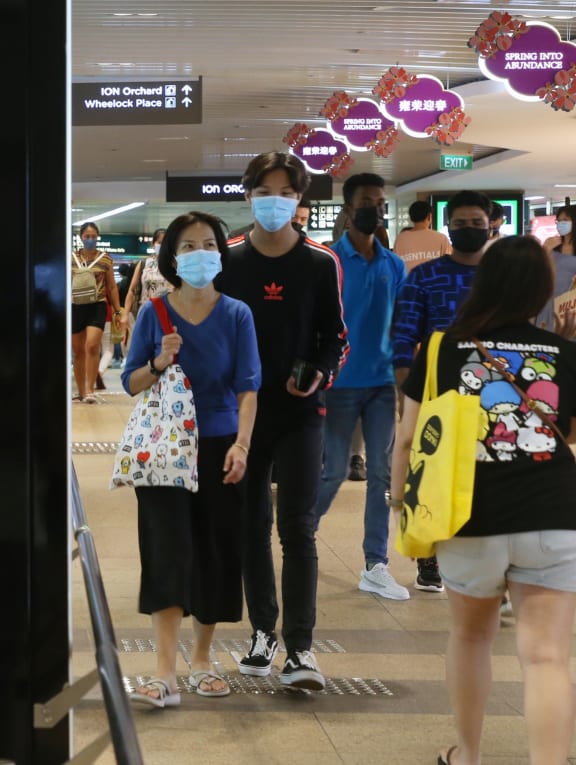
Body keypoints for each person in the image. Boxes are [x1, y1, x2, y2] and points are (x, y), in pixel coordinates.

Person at [389, 235, 576, 765]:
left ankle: (467, 754)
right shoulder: (567, 353)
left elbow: (407, 438)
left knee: (470, 639)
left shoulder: (442, 347)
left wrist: (401, 509)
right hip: (555, 516)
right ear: (543, 288)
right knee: (546, 659)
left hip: (469, 516)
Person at [219, 151, 348, 691]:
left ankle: (300, 648)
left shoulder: (319, 263)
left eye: (287, 192)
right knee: (251, 525)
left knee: (298, 526)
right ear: (247, 193)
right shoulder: (226, 260)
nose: (276, 201)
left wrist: (317, 372)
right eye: (265, 190)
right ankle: (261, 632)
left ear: (300, 200)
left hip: (300, 412)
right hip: (242, 416)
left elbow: (335, 336)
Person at [123, 211, 261, 707]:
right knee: (166, 550)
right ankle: (164, 672)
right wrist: (159, 361)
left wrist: (242, 445)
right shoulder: (154, 313)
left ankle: (202, 660)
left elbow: (249, 387)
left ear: (220, 253)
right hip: (165, 447)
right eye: (188, 246)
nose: (199, 253)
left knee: (215, 550)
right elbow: (130, 381)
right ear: (172, 257)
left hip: (220, 446)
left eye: (208, 244)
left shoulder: (237, 313)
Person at [315, 173, 409, 600]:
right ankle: (300, 535)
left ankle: (376, 563)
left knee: (381, 474)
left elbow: (403, 325)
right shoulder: (328, 262)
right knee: (333, 470)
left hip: (382, 384)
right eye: (368, 202)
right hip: (339, 384)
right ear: (349, 210)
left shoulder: (394, 265)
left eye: (380, 201)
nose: (376, 208)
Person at [392, 190, 492, 593]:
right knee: (431, 470)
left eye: (477, 223)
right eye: (461, 224)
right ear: (446, 227)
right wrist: (405, 391)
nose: (469, 230)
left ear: (491, 225)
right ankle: (429, 557)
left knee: (484, 473)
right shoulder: (425, 276)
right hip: (436, 388)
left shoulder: (501, 276)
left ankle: (482, 550)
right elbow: (403, 336)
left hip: (492, 392)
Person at [72, 222, 122, 404]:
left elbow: (112, 286)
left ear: (98, 237)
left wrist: (118, 310)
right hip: (76, 306)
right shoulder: (71, 258)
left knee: (92, 346)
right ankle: (80, 391)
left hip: (98, 305)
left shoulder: (105, 259)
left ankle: (90, 389)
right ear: (81, 238)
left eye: (94, 236)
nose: (90, 240)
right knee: (77, 351)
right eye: (87, 236)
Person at [534, 205, 576, 333]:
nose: (561, 224)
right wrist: (545, 249)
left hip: (569, 306)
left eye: (565, 220)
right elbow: (535, 271)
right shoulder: (551, 245)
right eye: (559, 220)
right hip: (547, 302)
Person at [122, 227, 170, 326]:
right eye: (160, 242)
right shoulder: (144, 264)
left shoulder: (174, 265)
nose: (163, 246)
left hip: (167, 312)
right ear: (153, 244)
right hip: (145, 311)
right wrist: (125, 314)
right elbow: (131, 290)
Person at [393, 199, 451, 271]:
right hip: (435, 281)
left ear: (411, 218)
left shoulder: (400, 239)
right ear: (429, 217)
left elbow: (395, 267)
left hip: (409, 281)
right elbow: (449, 266)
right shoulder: (442, 238)